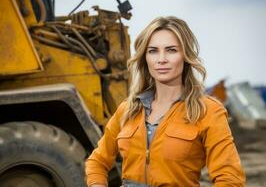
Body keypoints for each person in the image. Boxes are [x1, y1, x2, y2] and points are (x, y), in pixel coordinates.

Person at [85, 16, 245, 186]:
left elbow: (230, 179)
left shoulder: (208, 111)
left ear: (185, 55)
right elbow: (97, 162)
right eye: (153, 51)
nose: (161, 59)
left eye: (171, 50)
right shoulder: (127, 110)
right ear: (144, 58)